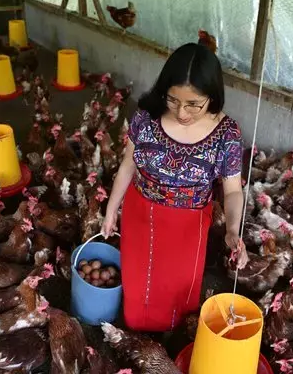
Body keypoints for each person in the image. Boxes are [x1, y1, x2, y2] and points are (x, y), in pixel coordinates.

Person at [101, 43, 248, 332]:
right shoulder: (146, 117)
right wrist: (110, 211)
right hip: (139, 212)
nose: (182, 112)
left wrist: (233, 230)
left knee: (178, 288)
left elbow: (232, 190)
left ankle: (173, 338)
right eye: (173, 100)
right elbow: (128, 165)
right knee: (138, 280)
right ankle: (136, 335)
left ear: (212, 96)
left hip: (188, 225)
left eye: (193, 104)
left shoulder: (227, 133)